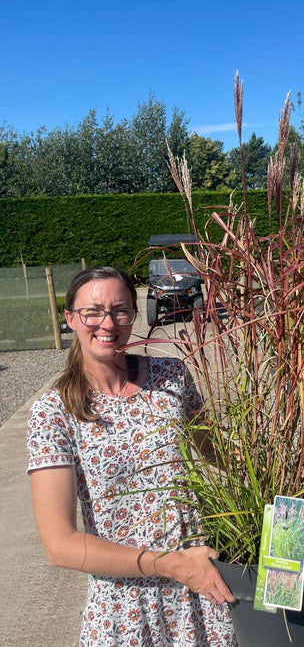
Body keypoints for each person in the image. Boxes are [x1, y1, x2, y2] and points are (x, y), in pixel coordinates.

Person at [26, 266, 237, 646]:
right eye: (93, 311)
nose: (107, 323)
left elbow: (216, 451)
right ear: (71, 318)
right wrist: (175, 566)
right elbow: (60, 545)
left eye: (120, 310)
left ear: (133, 316)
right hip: (125, 606)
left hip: (199, 591)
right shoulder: (55, 411)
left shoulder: (170, 376)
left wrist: (287, 479)